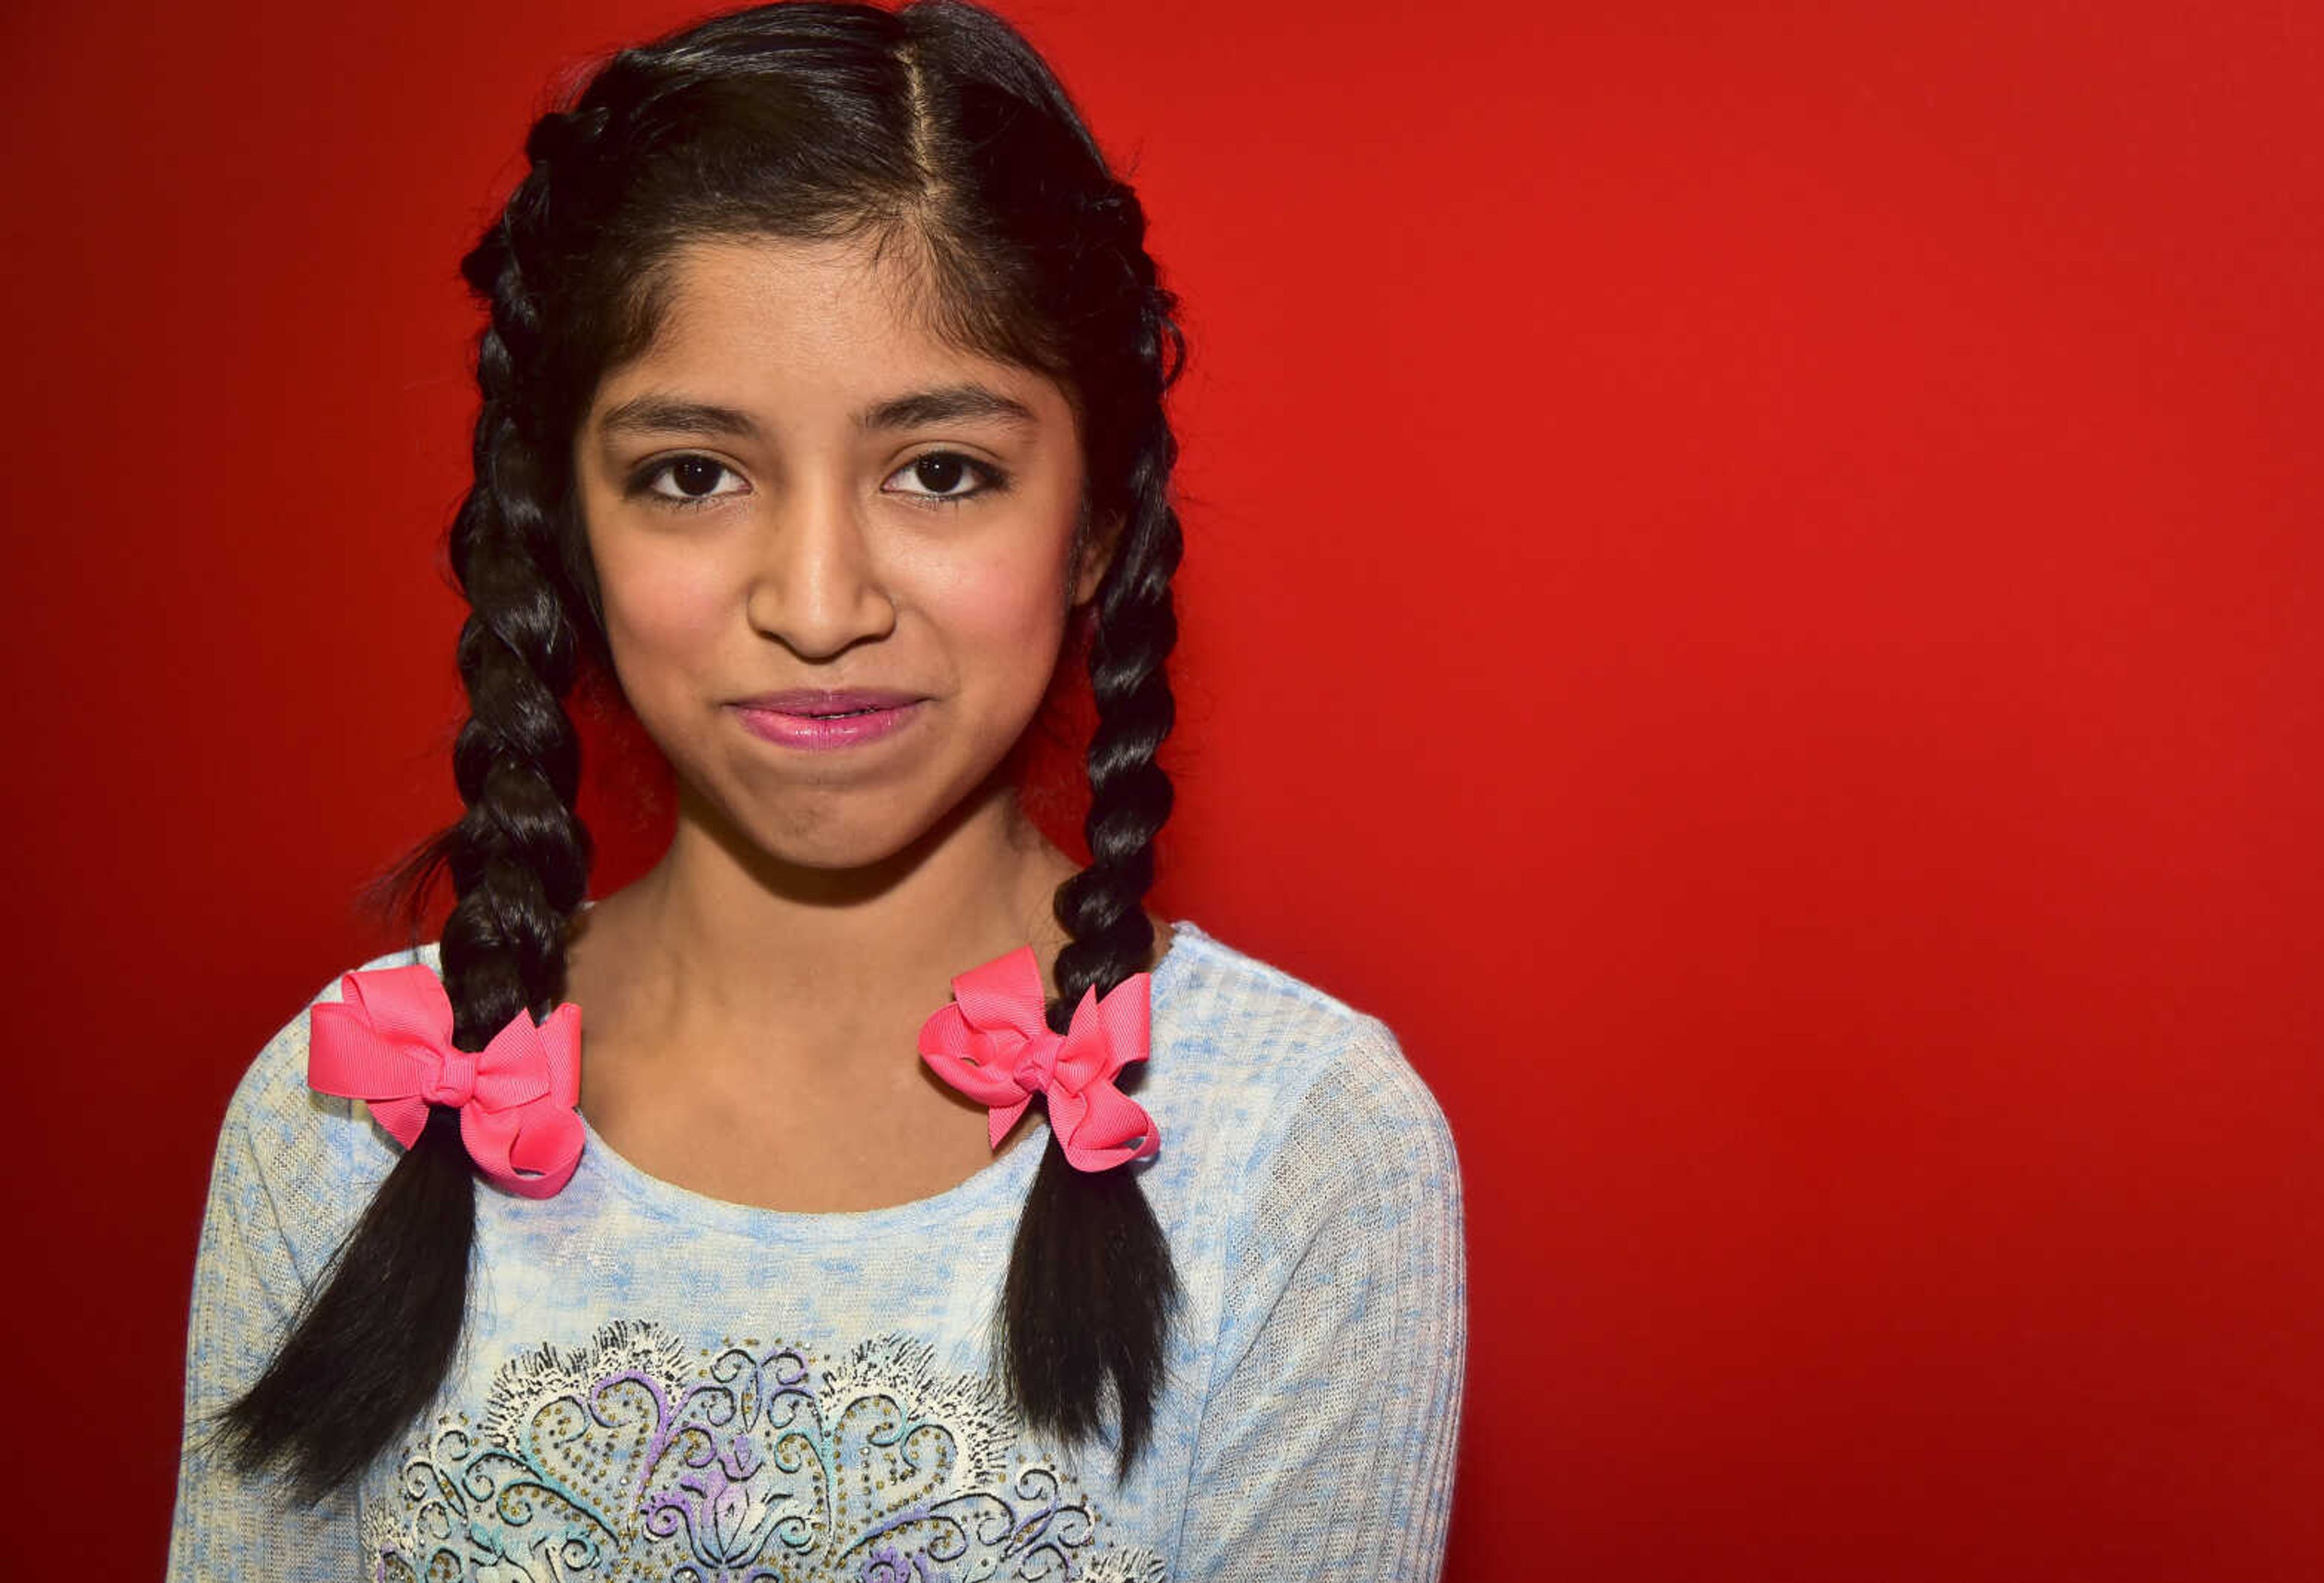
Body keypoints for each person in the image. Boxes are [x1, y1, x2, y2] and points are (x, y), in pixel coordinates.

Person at [166, 2, 1465, 1576]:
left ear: (1099, 526)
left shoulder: (1298, 1142)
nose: (820, 597)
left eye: (941, 470)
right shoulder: (341, 1117)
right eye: (694, 475)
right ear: (566, 530)